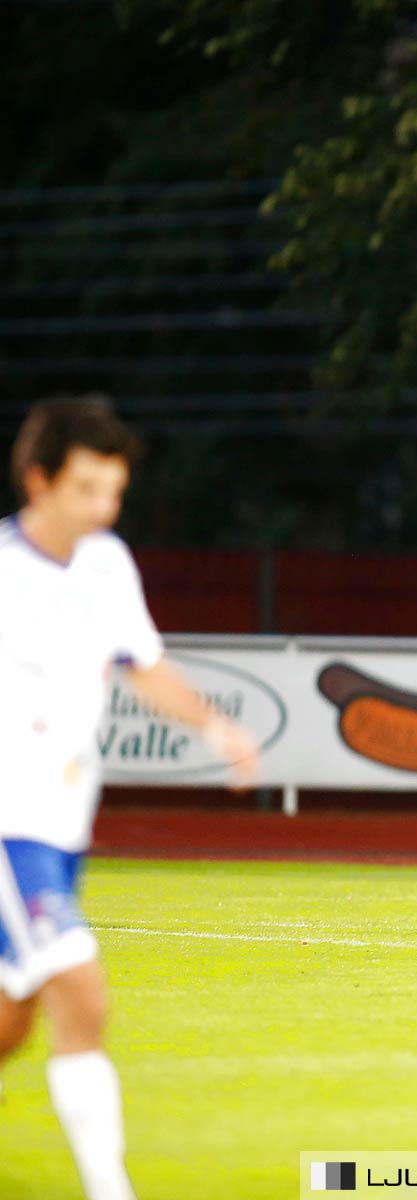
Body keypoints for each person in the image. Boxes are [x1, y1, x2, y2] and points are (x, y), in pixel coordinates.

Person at [0, 397, 260, 1200]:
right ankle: (111, 1190)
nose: (102, 508)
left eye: (112, 490)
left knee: (13, 1022)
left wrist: (216, 727)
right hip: (6, 825)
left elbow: (142, 663)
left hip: (60, 823)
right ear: (37, 480)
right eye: (85, 488)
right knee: (81, 983)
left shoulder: (109, 564)